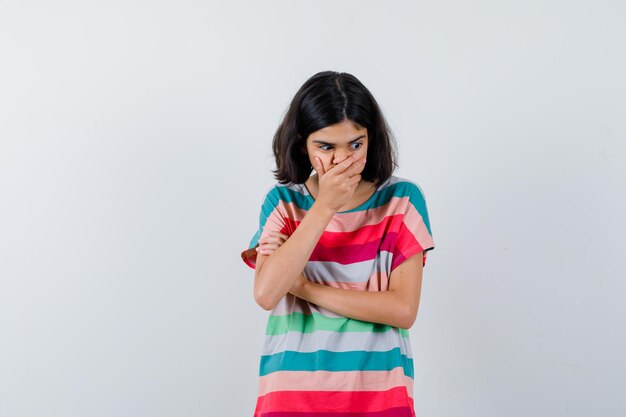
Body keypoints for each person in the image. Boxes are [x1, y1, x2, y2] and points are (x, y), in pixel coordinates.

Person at [240, 71, 435, 417]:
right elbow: (267, 293)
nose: (343, 160)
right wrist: (325, 206)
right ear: (303, 143)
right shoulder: (283, 203)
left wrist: (303, 288)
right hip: (291, 398)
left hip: (378, 398)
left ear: (370, 139)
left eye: (355, 144)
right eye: (326, 147)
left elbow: (403, 311)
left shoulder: (402, 201)